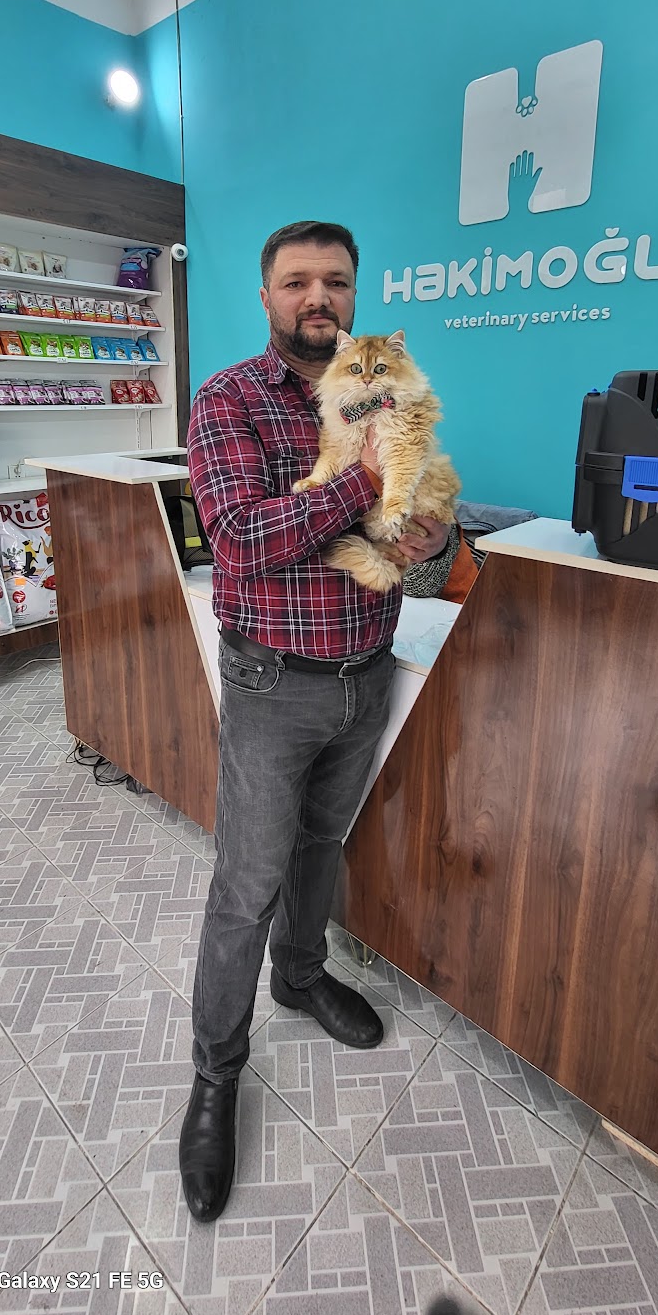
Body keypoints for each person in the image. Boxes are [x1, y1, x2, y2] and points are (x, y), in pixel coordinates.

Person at [181, 220, 450, 1223]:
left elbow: (422, 550)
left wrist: (428, 539)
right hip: (272, 681)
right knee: (246, 882)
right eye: (296, 281)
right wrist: (363, 481)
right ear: (267, 297)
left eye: (334, 281)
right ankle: (215, 1073)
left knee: (318, 850)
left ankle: (299, 979)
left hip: (363, 672)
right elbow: (240, 539)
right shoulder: (229, 400)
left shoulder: (387, 392)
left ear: (353, 295)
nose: (317, 298)